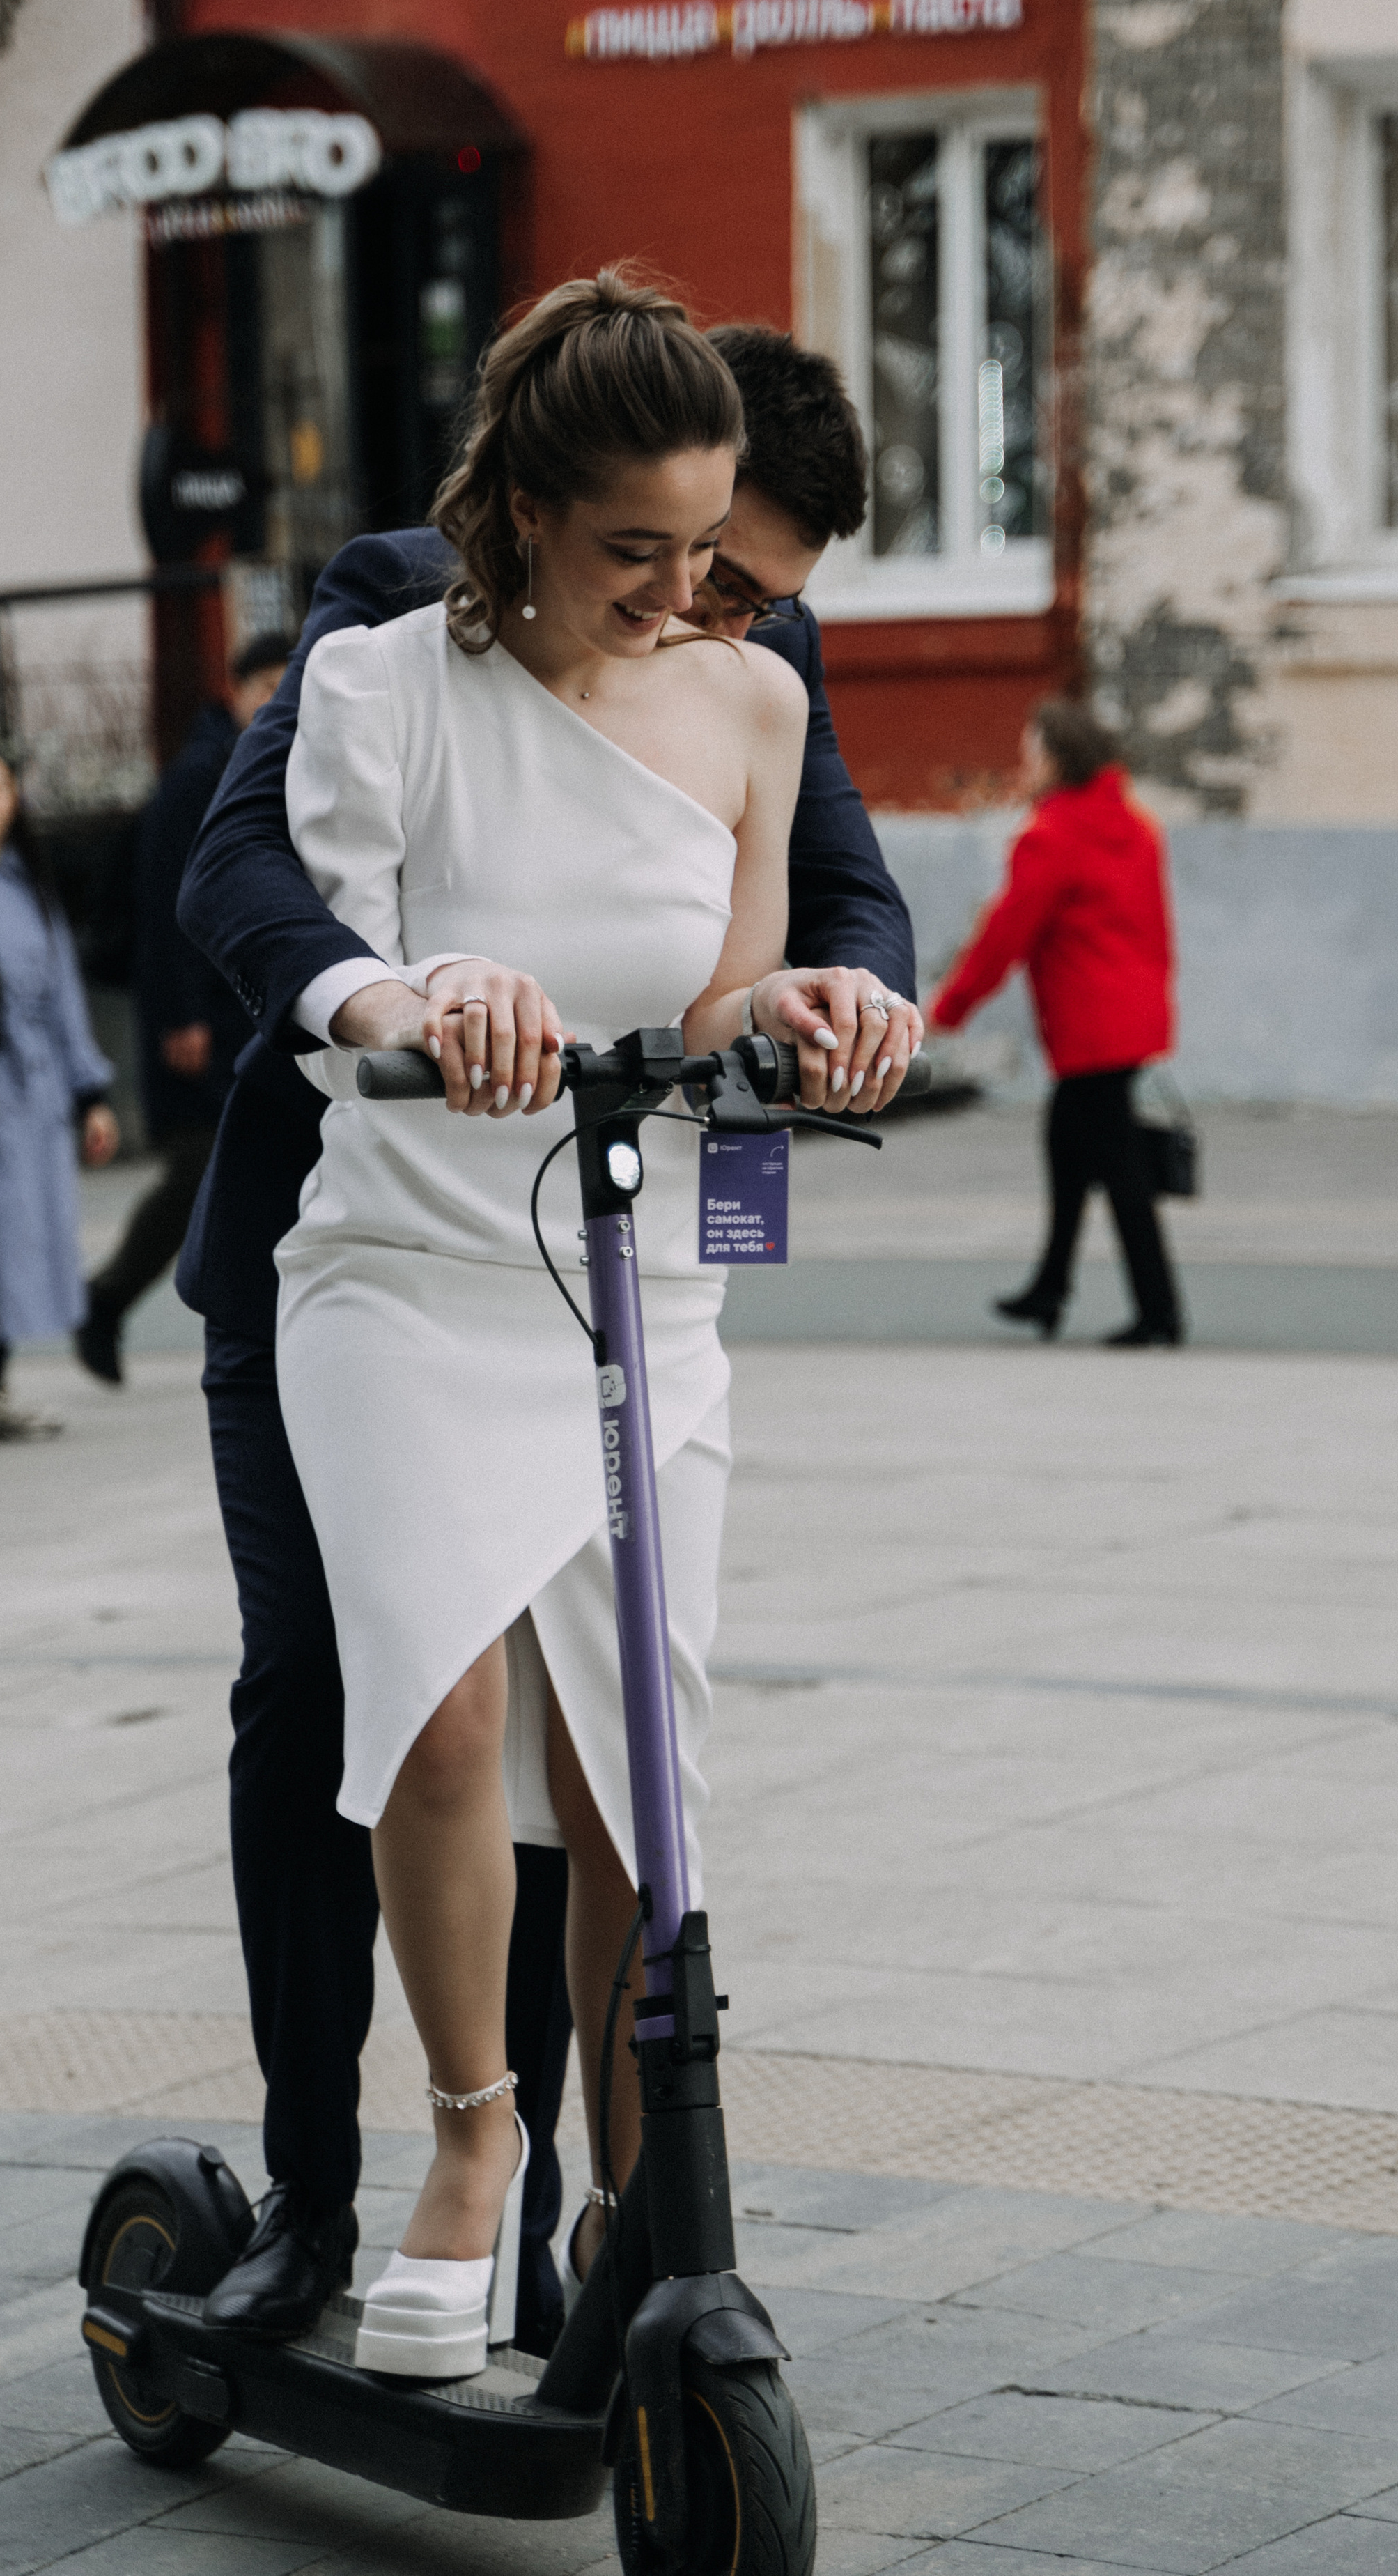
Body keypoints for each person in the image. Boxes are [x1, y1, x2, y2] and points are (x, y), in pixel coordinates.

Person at [174, 308, 918, 2350]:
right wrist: (393, 996)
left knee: (625, 1771)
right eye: (658, 554)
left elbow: (795, 927)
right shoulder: (380, 639)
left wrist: (825, 1010)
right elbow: (256, 882)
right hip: (388, 1256)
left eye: (733, 568)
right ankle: (369, 2180)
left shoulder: (750, 676)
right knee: (372, 1709)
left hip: (634, 1261)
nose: (699, 600)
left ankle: (628, 2223)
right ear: (534, 509)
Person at [929, 700, 1183, 1347]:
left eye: (1033, 751)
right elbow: (1156, 928)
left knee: (1118, 1167)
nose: (1026, 763)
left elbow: (1006, 934)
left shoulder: (1054, 834)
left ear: (1060, 759)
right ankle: (1050, 1290)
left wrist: (950, 1008)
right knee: (1069, 1148)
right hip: (1131, 1013)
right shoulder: (1135, 824)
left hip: (1093, 1022)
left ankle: (1158, 1314)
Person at [73, 633, 290, 1385]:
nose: (274, 699)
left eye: (285, 685)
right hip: (199, 1021)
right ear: (233, 690)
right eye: (263, 685)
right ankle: (108, 1299)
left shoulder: (256, 760)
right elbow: (168, 904)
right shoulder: (197, 775)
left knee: (223, 1168)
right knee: (201, 1168)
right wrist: (178, 1019)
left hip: (238, 1013)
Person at [0, 748, 120, 1440]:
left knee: (16, 1244)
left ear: (14, 798)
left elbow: (62, 993)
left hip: (36, 1088)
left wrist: (90, 1092)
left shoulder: (28, 884)